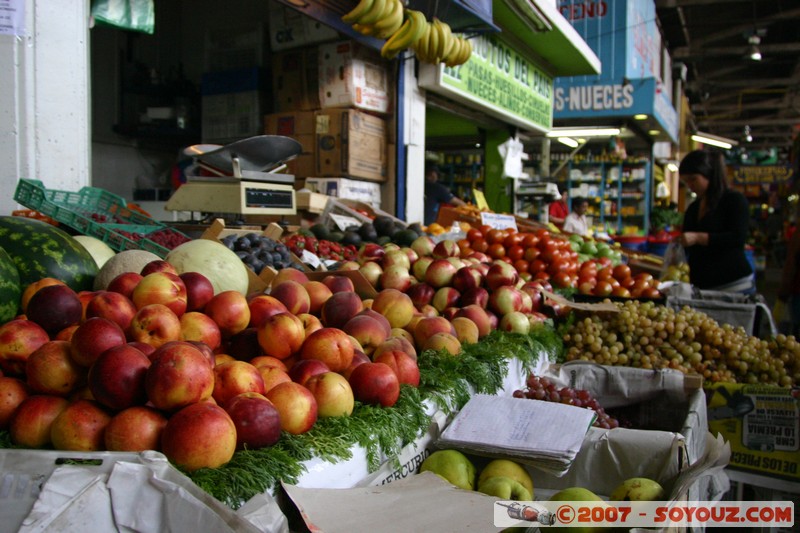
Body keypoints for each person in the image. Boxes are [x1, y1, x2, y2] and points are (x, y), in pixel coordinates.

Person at [677, 149, 755, 293]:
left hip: (734, 285)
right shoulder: (694, 208)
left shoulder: (734, 200)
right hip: (702, 287)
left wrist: (699, 238)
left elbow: (737, 238)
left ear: (709, 175)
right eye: (686, 181)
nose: (690, 185)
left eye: (693, 179)